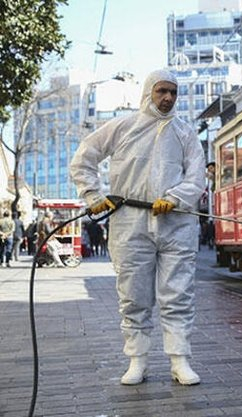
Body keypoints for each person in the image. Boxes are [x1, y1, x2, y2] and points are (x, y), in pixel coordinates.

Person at [70, 69, 206, 385]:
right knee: (133, 294)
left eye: (173, 92)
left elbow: (197, 178)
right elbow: (84, 158)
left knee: (178, 293)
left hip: (177, 223)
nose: (168, 97)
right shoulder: (122, 127)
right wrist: (92, 194)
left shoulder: (185, 133)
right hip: (130, 222)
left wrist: (174, 197)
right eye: (161, 91)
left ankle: (179, 360)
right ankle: (138, 361)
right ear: (148, 92)